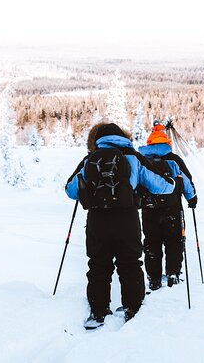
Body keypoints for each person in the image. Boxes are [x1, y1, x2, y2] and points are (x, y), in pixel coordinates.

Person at [65, 122, 180, 327]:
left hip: (97, 221)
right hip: (127, 219)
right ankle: (133, 309)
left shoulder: (90, 159)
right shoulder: (132, 157)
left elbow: (70, 190)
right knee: (130, 264)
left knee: (98, 266)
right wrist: (173, 183)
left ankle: (98, 312)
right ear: (122, 137)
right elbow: (160, 185)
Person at [138, 123, 196, 291]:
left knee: (151, 243)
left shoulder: (143, 161)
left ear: (149, 143)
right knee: (174, 241)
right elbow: (186, 181)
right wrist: (192, 198)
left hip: (149, 211)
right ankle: (173, 273)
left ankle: (154, 278)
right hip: (173, 209)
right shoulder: (174, 159)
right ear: (166, 143)